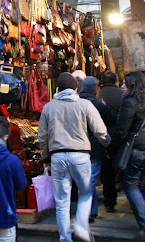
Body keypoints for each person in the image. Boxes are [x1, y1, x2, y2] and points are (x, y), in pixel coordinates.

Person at [38, 72, 110, 242]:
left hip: (58, 156)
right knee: (85, 194)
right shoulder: (85, 105)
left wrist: (45, 158)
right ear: (76, 88)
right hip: (80, 155)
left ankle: (65, 238)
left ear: (58, 88)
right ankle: (80, 227)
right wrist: (109, 145)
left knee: (62, 201)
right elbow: (101, 131)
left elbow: (42, 137)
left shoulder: (49, 107)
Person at [111, 72, 145, 241]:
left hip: (139, 146)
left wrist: (112, 147)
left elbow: (122, 129)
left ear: (132, 85)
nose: (122, 86)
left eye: (124, 84)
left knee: (131, 185)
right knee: (144, 185)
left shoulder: (130, 101)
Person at [79, 77, 115, 222]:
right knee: (91, 180)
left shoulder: (76, 104)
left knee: (86, 181)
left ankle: (90, 210)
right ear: (96, 89)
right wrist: (108, 144)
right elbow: (110, 122)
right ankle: (89, 211)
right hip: (95, 148)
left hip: (79, 147)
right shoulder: (100, 106)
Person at [98, 71, 123, 213]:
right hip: (120, 135)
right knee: (123, 167)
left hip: (104, 136)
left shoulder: (99, 95)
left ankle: (109, 202)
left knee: (107, 171)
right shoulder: (122, 94)